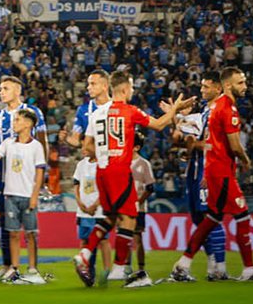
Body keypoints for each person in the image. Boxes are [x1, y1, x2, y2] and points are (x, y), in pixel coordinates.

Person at [75, 70, 191, 287]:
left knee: (111, 218)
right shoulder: (130, 110)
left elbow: (86, 147)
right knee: (129, 218)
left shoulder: (96, 113)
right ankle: (118, 268)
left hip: (102, 170)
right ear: (126, 89)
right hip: (120, 169)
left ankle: (86, 252)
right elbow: (158, 125)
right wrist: (175, 109)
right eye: (132, 88)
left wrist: (103, 152)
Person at [172, 67, 253, 282]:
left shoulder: (215, 107)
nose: (245, 86)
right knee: (242, 215)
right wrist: (246, 159)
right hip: (221, 171)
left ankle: (184, 263)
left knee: (211, 219)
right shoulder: (227, 109)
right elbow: (234, 145)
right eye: (241, 82)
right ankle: (248, 269)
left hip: (213, 170)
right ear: (228, 85)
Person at [0, 75, 48, 280]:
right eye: (0, 88)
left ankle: (30, 267)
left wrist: (42, 176)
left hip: (26, 179)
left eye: (6, 88)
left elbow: (43, 142)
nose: (1, 92)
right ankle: (7, 265)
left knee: (28, 229)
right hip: (4, 178)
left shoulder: (33, 112)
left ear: (18, 91)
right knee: (5, 223)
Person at [174, 70, 229, 280]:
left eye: (206, 87)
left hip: (208, 171)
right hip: (195, 171)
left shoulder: (220, 111)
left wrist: (193, 145)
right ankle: (212, 264)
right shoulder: (206, 112)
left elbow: (214, 145)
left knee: (211, 218)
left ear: (218, 88)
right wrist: (176, 114)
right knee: (199, 219)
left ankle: (220, 267)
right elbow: (181, 134)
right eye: (202, 86)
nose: (202, 90)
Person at [72, 145, 111, 281]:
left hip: (99, 211)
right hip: (83, 211)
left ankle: (107, 271)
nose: (83, 149)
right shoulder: (81, 164)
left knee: (103, 241)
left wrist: (96, 204)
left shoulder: (103, 164)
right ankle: (87, 270)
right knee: (84, 240)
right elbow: (76, 184)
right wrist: (79, 202)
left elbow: (107, 188)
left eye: (86, 146)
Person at [129, 133, 155, 286]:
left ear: (137, 147)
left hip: (138, 208)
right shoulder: (122, 162)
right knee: (124, 237)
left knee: (137, 238)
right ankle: (125, 267)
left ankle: (140, 269)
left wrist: (138, 202)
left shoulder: (144, 164)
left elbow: (150, 187)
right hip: (124, 207)